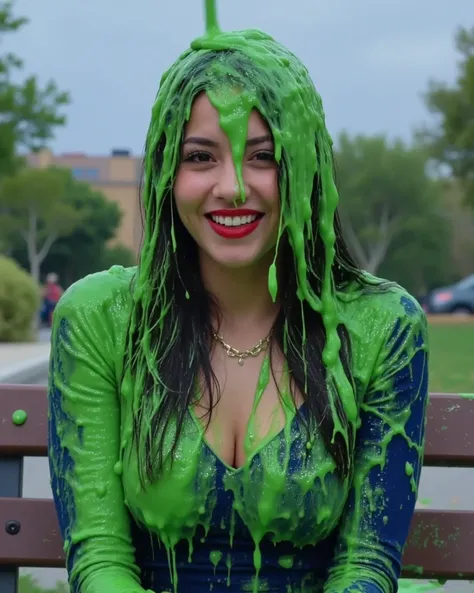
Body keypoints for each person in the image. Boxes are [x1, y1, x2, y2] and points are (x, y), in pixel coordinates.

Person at [47, 6, 429, 593]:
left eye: (263, 156)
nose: (232, 186)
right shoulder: (99, 318)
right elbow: (99, 560)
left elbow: (366, 565)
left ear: (304, 170)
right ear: (165, 175)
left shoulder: (384, 325)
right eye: (201, 157)